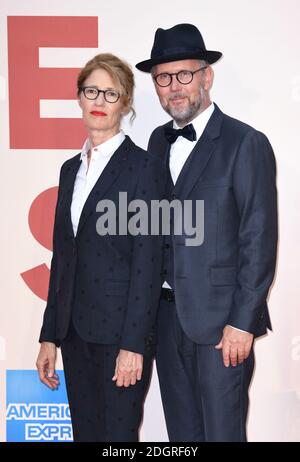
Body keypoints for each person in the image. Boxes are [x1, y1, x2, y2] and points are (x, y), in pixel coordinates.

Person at [136, 23, 278, 442]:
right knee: (183, 438)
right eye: (163, 77)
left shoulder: (245, 143)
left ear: (206, 76)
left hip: (221, 328)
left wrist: (242, 322)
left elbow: (259, 239)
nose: (173, 87)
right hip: (166, 320)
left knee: (221, 435)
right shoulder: (157, 143)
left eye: (184, 74)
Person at [36, 53, 165, 442]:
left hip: (119, 338)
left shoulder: (145, 169)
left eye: (111, 94)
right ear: (79, 97)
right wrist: (49, 336)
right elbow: (63, 259)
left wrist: (134, 345)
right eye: (92, 90)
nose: (100, 101)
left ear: (125, 104)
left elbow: (149, 262)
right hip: (74, 333)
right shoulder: (69, 170)